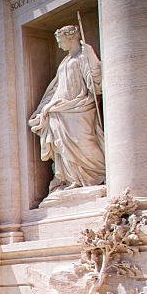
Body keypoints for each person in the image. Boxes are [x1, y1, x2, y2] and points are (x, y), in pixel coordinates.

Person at [29, 24, 104, 192]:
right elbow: (56, 88)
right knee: (60, 144)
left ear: (71, 38)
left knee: (83, 141)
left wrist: (93, 73)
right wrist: (42, 108)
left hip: (79, 106)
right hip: (60, 108)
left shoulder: (84, 55)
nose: (59, 45)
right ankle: (72, 180)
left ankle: (97, 174)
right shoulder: (66, 60)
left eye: (61, 40)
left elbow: (94, 78)